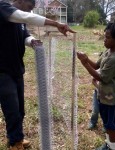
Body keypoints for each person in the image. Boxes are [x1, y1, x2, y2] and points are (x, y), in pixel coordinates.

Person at [0, 0, 75, 150]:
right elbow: (26, 17)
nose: (30, 11)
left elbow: (25, 37)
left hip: (17, 70)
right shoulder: (3, 8)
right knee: (12, 108)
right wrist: (56, 24)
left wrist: (32, 41)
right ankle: (15, 143)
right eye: (29, 7)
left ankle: (16, 138)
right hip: (2, 71)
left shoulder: (20, 20)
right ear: (20, 1)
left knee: (20, 109)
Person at [77, 22, 115, 150]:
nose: (104, 39)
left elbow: (102, 78)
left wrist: (84, 63)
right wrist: (87, 58)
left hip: (113, 100)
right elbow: (96, 66)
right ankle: (109, 144)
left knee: (112, 127)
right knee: (107, 124)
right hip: (106, 97)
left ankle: (113, 147)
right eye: (104, 36)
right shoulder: (107, 52)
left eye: (108, 37)